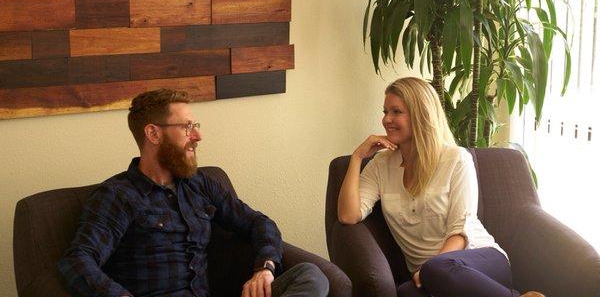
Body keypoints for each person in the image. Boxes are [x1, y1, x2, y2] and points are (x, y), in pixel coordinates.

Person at [58, 88, 329, 297]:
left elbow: (258, 223)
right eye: (187, 127)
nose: (197, 136)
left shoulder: (199, 184)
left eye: (195, 126)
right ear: (153, 133)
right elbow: (78, 260)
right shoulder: (118, 196)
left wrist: (265, 269)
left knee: (310, 276)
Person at [337, 77, 544, 297]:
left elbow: (460, 232)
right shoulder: (381, 164)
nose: (386, 119)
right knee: (406, 293)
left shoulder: (456, 159)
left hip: (479, 260)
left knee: (438, 268)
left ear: (421, 114)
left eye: (396, 111)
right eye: (385, 111)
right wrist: (358, 157)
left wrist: (430, 268)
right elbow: (348, 215)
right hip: (427, 277)